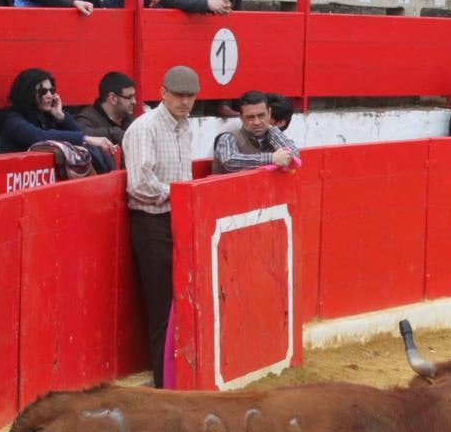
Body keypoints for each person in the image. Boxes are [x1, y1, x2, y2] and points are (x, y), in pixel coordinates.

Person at [122, 65, 199, 388]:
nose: (184, 102)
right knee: (162, 308)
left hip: (178, 221)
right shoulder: (146, 128)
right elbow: (139, 184)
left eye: (190, 97)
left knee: (180, 304)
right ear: (163, 92)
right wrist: (181, 196)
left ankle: (176, 378)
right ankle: (163, 384)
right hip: (153, 224)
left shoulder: (185, 127)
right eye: (179, 95)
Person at [212, 90, 300, 174]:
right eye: (250, 117)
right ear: (241, 117)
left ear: (269, 113)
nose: (256, 122)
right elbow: (230, 161)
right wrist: (270, 158)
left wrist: (272, 130)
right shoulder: (228, 136)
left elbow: (294, 155)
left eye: (261, 115)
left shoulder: (272, 135)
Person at [74, 72, 137, 146]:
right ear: (113, 98)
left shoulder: (129, 119)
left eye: (134, 97)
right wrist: (115, 134)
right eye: (129, 97)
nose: (134, 102)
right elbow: (79, 135)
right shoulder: (87, 119)